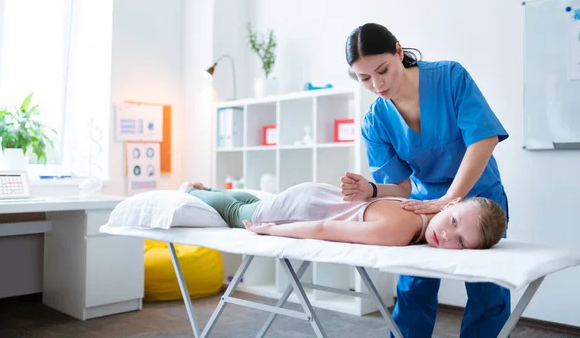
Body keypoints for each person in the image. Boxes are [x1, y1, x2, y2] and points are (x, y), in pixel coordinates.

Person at [343, 22, 511, 338]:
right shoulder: (375, 122)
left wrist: (452, 198)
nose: (377, 84)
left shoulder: (450, 77)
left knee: (487, 291)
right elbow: (401, 187)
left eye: (383, 71)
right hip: (424, 205)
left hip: (477, 198)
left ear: (398, 51)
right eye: (365, 78)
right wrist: (372, 189)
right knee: (413, 289)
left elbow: (483, 138)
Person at [180, 181, 507, 250]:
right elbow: (322, 229)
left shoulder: (419, 207)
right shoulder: (400, 230)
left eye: (461, 242)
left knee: (250, 201)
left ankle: (205, 186)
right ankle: (191, 192)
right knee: (237, 212)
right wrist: (272, 231)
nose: (448, 236)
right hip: (303, 209)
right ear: (449, 206)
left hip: (312, 194)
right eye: (452, 223)